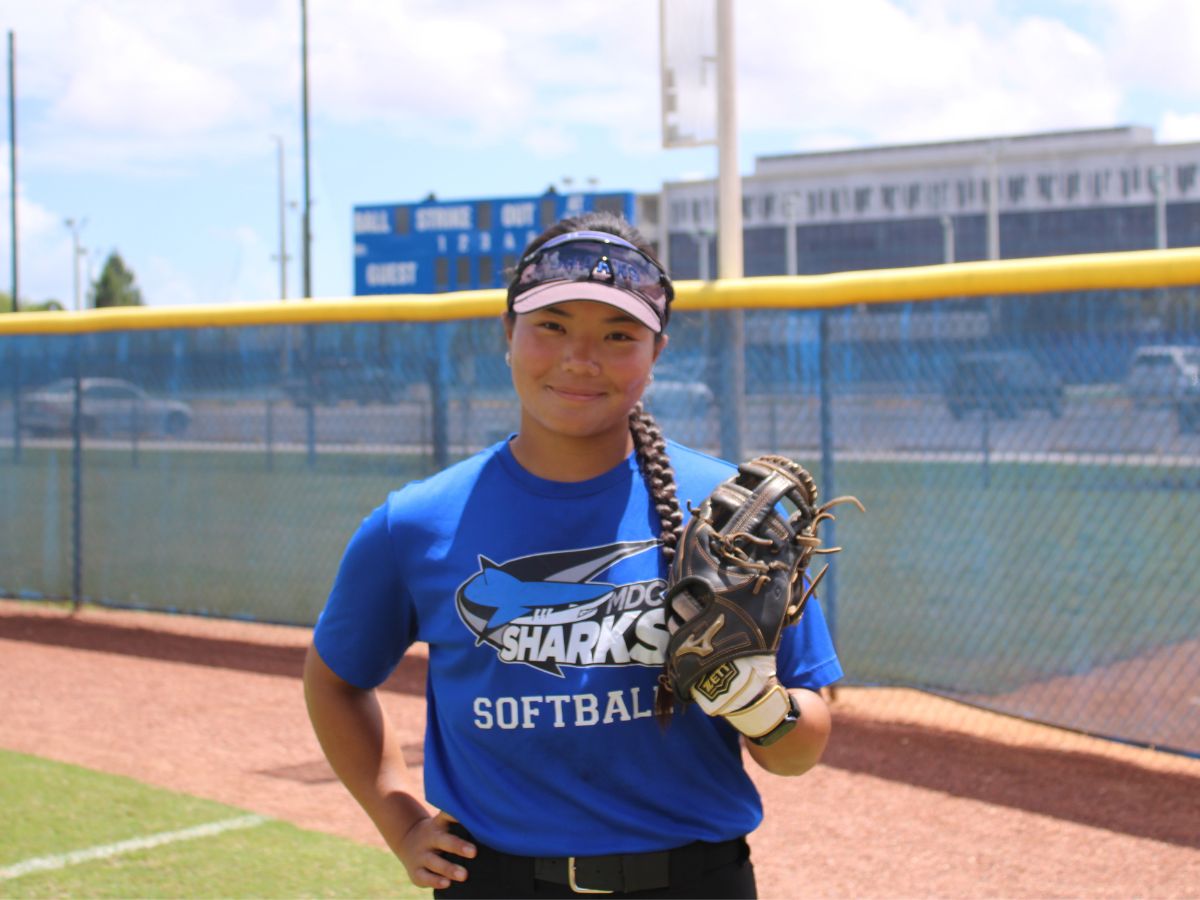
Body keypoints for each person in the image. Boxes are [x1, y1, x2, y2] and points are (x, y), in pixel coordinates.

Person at [303, 211, 842, 899]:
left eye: (619, 335)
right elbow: (334, 680)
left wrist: (757, 704)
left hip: (694, 881)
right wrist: (398, 818)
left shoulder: (731, 514)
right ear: (508, 334)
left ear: (656, 352)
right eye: (551, 325)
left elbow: (802, 749)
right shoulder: (419, 523)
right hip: (495, 882)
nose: (580, 358)